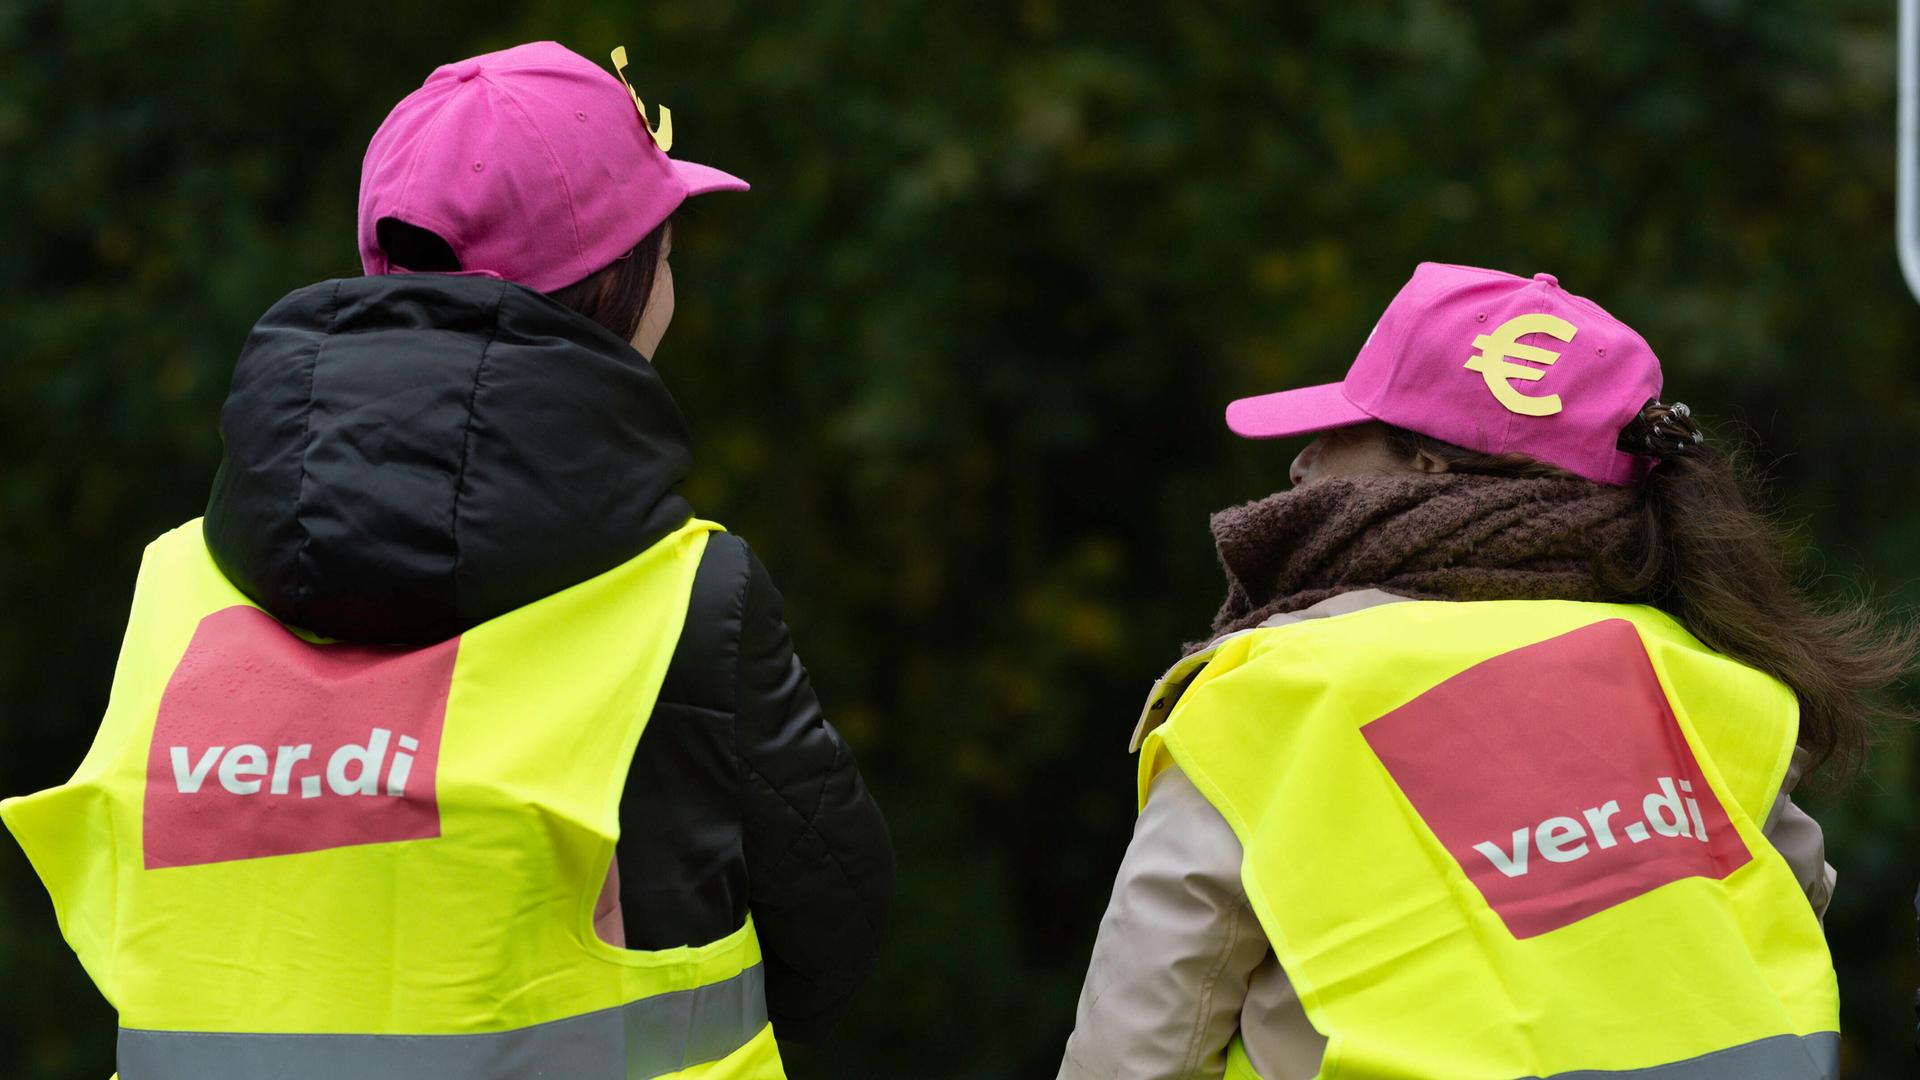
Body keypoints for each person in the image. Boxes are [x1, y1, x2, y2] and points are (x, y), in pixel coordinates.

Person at [2, 41, 892, 1079]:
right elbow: (835, 928)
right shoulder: (688, 600)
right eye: (665, 247)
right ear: (614, 285)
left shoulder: (174, 584)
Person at [1058, 263, 1916, 1080]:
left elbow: (1139, 1039)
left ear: (1429, 465)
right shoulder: (1704, 681)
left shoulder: (1276, 694)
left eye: (1338, 432)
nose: (1300, 465)